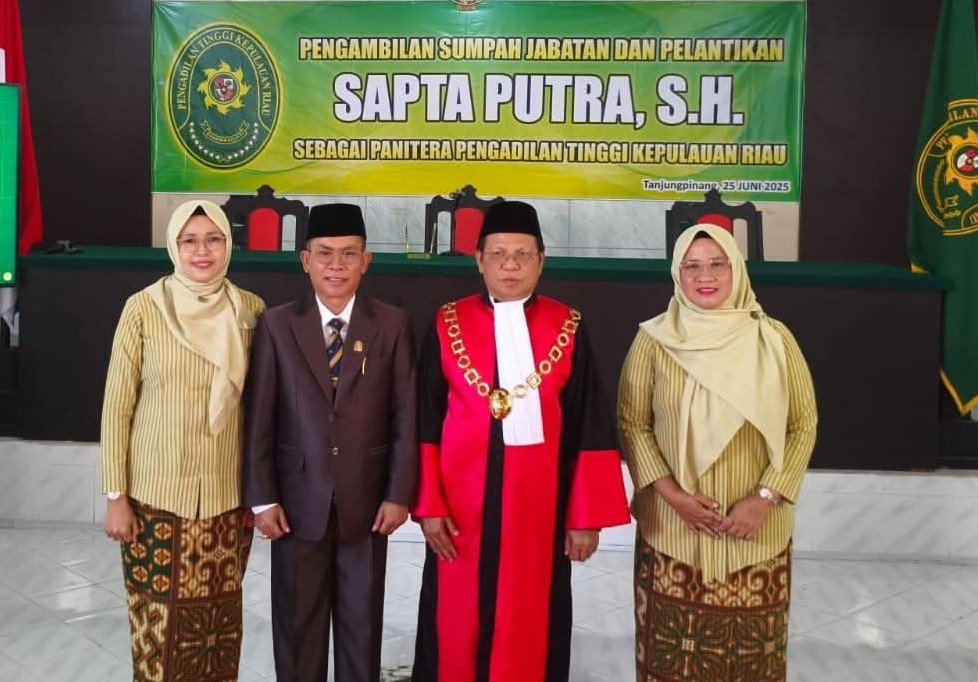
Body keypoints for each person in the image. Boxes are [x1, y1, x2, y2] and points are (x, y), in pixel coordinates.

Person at [411, 200, 630, 682]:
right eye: (498, 254)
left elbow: (590, 426)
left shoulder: (567, 325)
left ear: (541, 260)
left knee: (530, 618)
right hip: (459, 510)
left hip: (538, 513)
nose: (510, 265)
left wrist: (584, 518)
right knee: (454, 619)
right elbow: (424, 421)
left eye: (523, 255)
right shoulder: (447, 323)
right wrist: (428, 504)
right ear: (479, 259)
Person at [618, 223, 818, 682]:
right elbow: (632, 423)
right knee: (670, 662)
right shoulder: (654, 340)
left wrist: (765, 498)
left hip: (757, 535)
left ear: (737, 270)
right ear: (677, 274)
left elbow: (802, 425)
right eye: (691, 266)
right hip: (672, 533)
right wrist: (673, 497)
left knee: (752, 662)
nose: (704, 276)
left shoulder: (774, 339)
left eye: (717, 264)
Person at [241, 203, 418, 681]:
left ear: (366, 260)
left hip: (368, 501)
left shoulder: (393, 324)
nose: (336, 265)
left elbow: (405, 414)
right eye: (324, 254)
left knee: (362, 624)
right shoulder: (277, 324)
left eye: (348, 254)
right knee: (298, 626)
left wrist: (398, 493)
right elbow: (260, 417)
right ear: (305, 260)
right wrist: (262, 498)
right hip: (296, 503)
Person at [101, 199, 266, 681]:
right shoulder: (143, 308)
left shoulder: (250, 310)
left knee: (216, 631)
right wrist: (116, 497)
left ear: (228, 245)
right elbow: (116, 407)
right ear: (174, 247)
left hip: (226, 501)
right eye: (189, 240)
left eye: (213, 239)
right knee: (157, 631)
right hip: (154, 499)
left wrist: (261, 494)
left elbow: (262, 412)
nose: (202, 251)